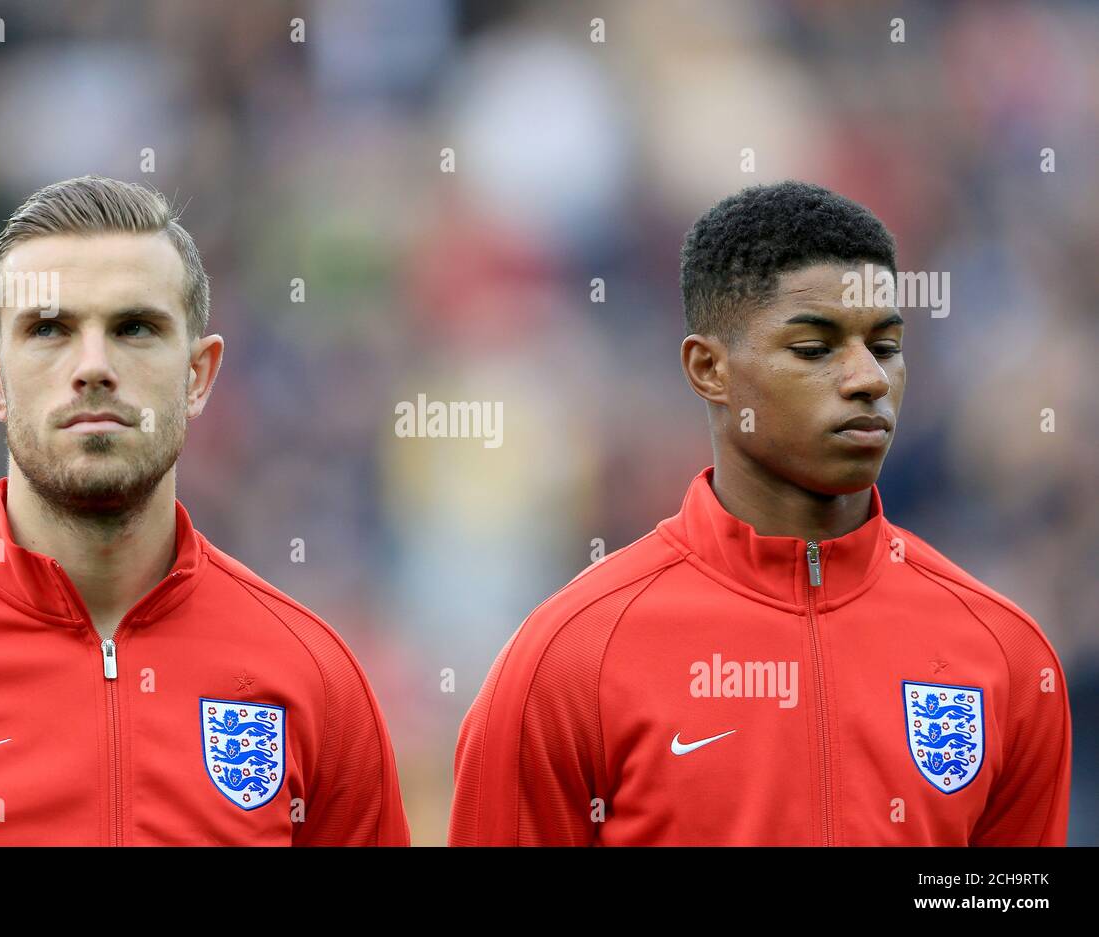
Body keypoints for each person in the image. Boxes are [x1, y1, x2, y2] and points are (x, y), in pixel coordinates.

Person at [448, 181, 1071, 846]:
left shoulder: (1004, 654)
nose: (870, 379)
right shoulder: (571, 657)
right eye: (815, 348)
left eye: (885, 345)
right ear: (710, 368)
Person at [0, 176, 409, 846]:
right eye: (50, 328)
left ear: (199, 375)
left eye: (135, 327)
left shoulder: (315, 681)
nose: (93, 366)